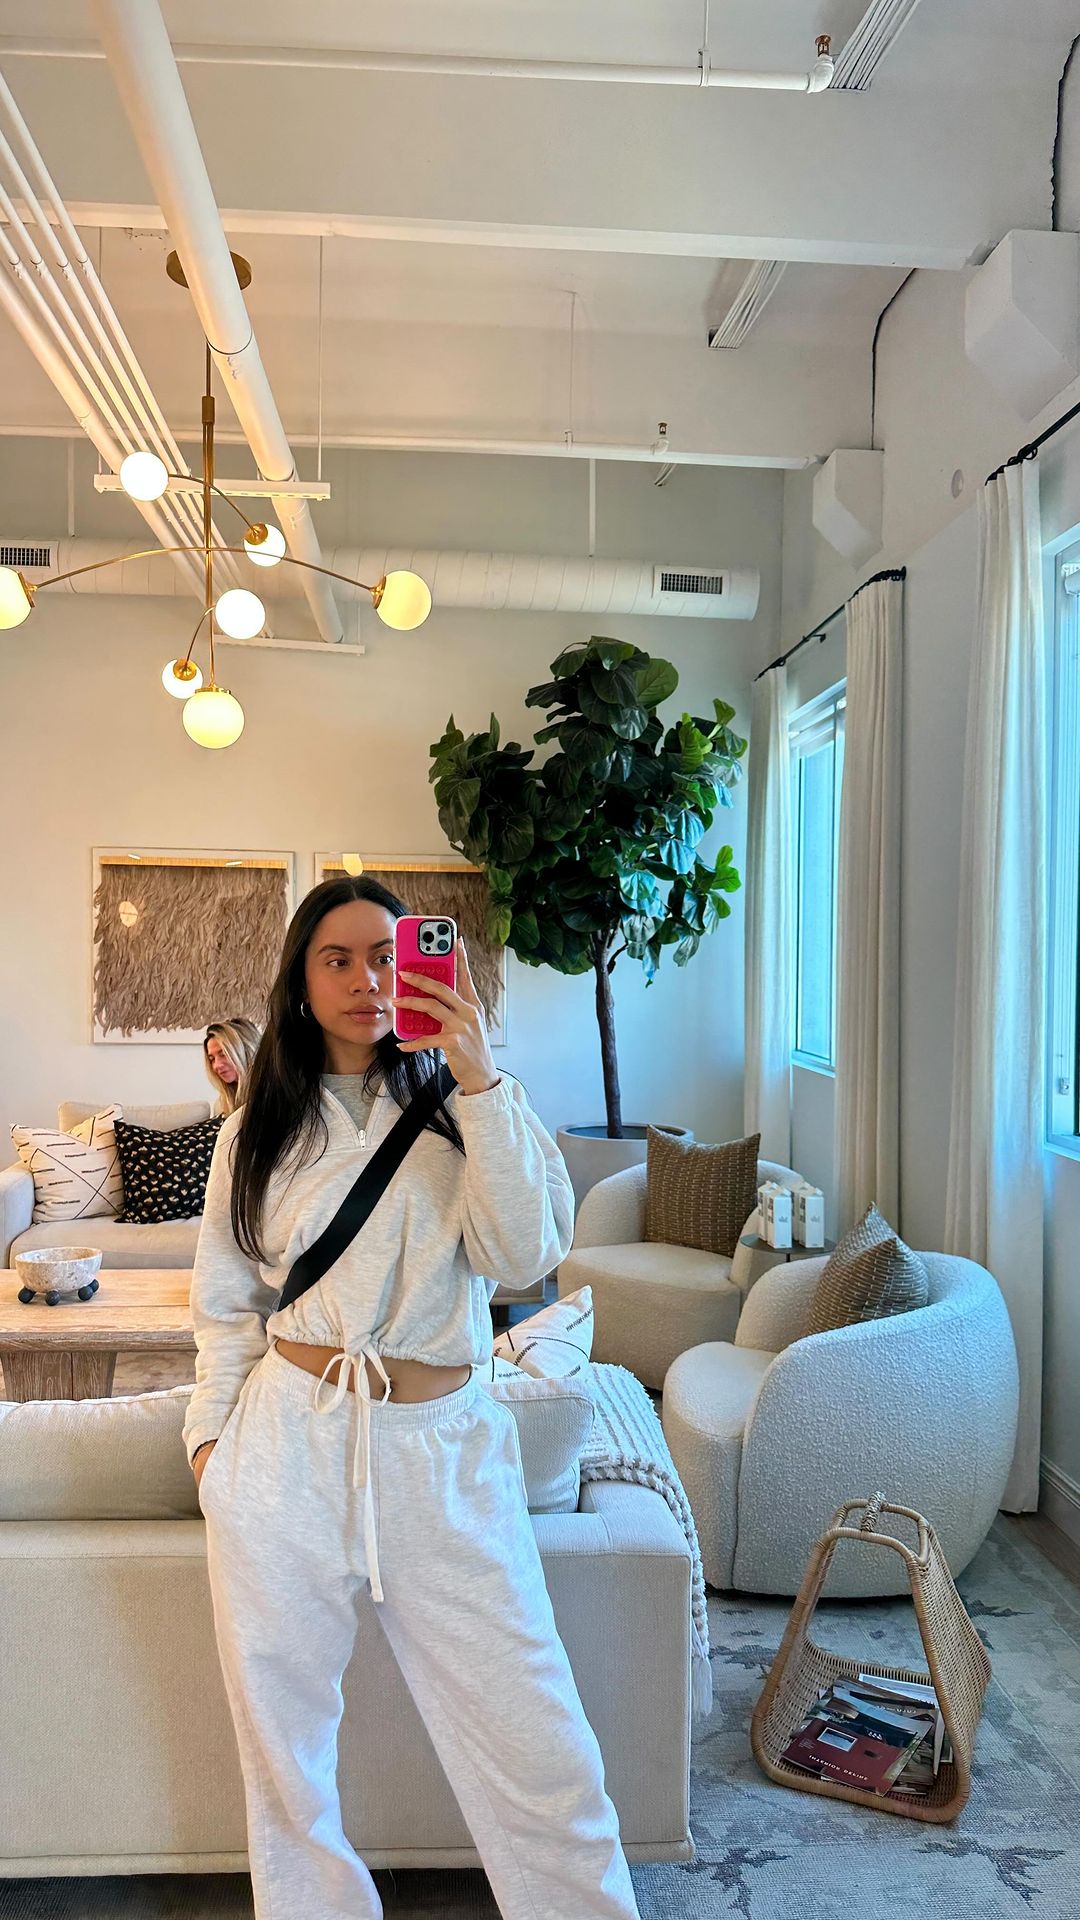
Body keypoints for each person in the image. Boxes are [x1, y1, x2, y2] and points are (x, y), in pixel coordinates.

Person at [182, 875, 641, 1920]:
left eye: (389, 956)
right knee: (285, 1749)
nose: (367, 979)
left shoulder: (471, 1107)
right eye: (337, 959)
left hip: (443, 1450)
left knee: (533, 1728)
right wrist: (214, 1450)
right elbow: (224, 1303)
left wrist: (478, 1077)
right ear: (301, 984)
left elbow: (525, 1254)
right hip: (287, 1447)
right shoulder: (258, 1128)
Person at [202, 1017, 261, 1116]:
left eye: (223, 1054)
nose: (217, 1065)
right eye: (212, 1059)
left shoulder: (270, 1095)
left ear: (245, 1051)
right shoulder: (227, 1103)